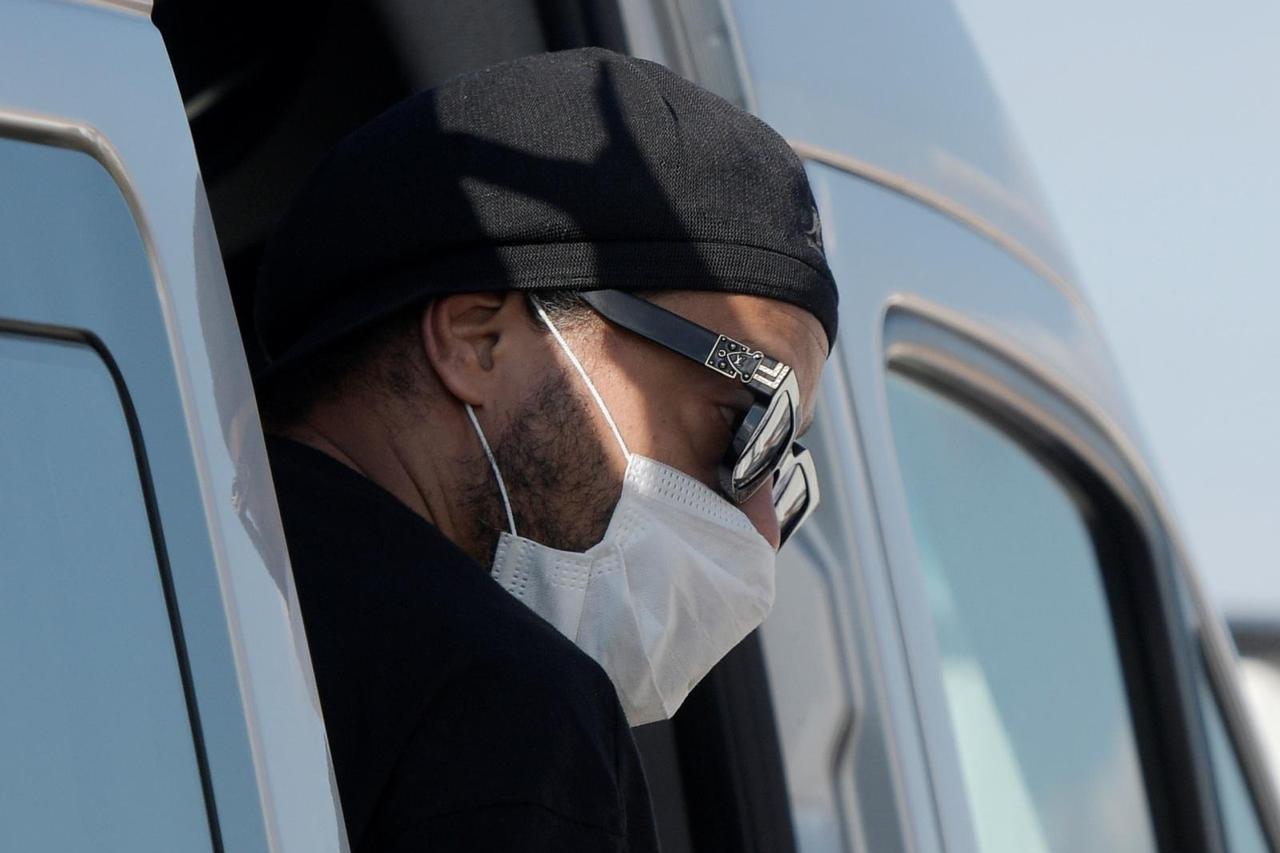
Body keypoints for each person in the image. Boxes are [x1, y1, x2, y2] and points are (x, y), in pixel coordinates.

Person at [253, 47, 838, 852]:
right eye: (745, 422)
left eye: (780, 461)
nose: (764, 527)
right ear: (478, 339)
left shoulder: (132, 522)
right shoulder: (505, 711)